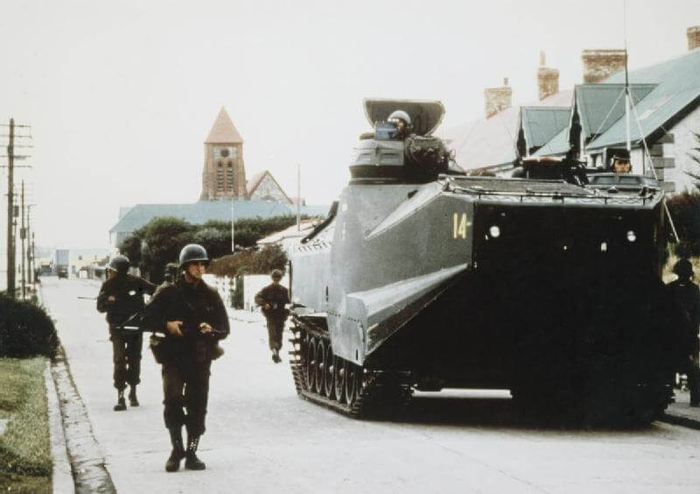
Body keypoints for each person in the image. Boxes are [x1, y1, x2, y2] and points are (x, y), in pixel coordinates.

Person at [144, 244, 230, 472]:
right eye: (195, 264)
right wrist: (167, 325)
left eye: (203, 264)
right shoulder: (168, 292)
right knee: (172, 400)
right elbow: (145, 318)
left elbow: (224, 328)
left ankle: (192, 452)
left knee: (197, 405)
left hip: (200, 357)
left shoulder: (211, 294)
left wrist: (211, 330)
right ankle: (176, 449)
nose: (200, 268)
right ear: (185, 267)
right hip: (173, 356)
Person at [96, 255, 156, 411]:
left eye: (111, 270)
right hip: (117, 329)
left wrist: (148, 307)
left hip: (135, 329)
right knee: (120, 359)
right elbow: (100, 307)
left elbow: (155, 292)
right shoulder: (108, 285)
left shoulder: (136, 282)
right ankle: (121, 395)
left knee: (133, 359)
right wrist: (107, 301)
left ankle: (133, 392)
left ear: (117, 271)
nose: (110, 273)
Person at [667, 258, 700, 407]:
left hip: (685, 334)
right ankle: (670, 394)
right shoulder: (673, 289)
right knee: (689, 366)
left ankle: (695, 397)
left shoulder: (672, 289)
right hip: (677, 334)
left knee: (691, 367)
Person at [255, 269, 290, 364]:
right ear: (272, 279)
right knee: (273, 334)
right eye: (275, 279)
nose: (276, 281)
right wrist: (264, 304)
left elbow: (289, 301)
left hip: (281, 316)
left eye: (278, 279)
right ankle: (274, 352)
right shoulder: (266, 290)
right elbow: (257, 297)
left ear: (280, 279)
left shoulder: (284, 290)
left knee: (279, 335)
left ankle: (276, 353)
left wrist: (288, 310)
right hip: (271, 316)